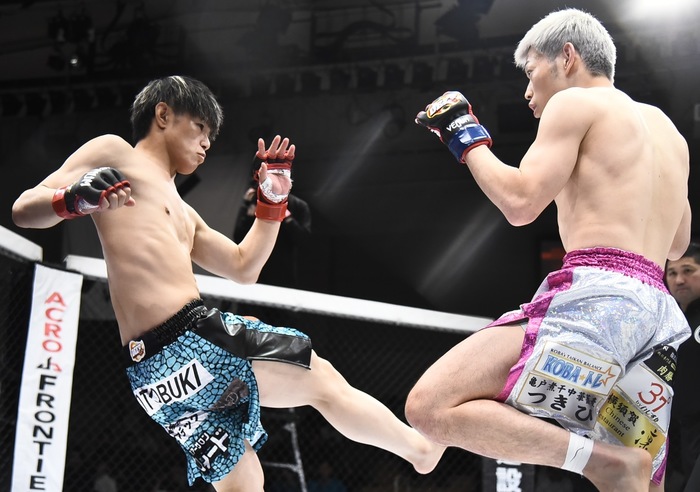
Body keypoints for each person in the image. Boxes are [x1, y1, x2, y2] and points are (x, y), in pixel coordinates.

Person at [11, 75, 444, 491]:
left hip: (153, 377)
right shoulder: (115, 152)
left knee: (244, 483)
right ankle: (421, 452)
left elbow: (243, 266)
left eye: (211, 136)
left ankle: (418, 451)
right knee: (320, 377)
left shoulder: (184, 214)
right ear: (163, 115)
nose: (206, 143)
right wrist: (72, 199)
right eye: (200, 127)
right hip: (192, 341)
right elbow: (24, 209)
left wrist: (272, 202)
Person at [404, 8, 691, 492]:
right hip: (657, 315)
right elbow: (678, 243)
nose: (527, 91)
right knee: (642, 481)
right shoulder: (668, 131)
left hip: (601, 297)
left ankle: (599, 462)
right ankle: (612, 465)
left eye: (531, 71)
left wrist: (462, 133)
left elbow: (520, 203)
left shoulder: (574, 103)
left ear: (568, 57)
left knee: (429, 406)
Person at [665, 243, 700, 492]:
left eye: (688, 270)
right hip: (679, 431)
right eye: (672, 273)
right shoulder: (666, 322)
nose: (679, 280)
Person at [233, 183, 311, 288]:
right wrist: (246, 208)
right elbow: (238, 236)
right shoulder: (254, 201)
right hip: (253, 269)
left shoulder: (298, 205)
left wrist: (288, 218)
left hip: (282, 272)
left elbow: (303, 240)